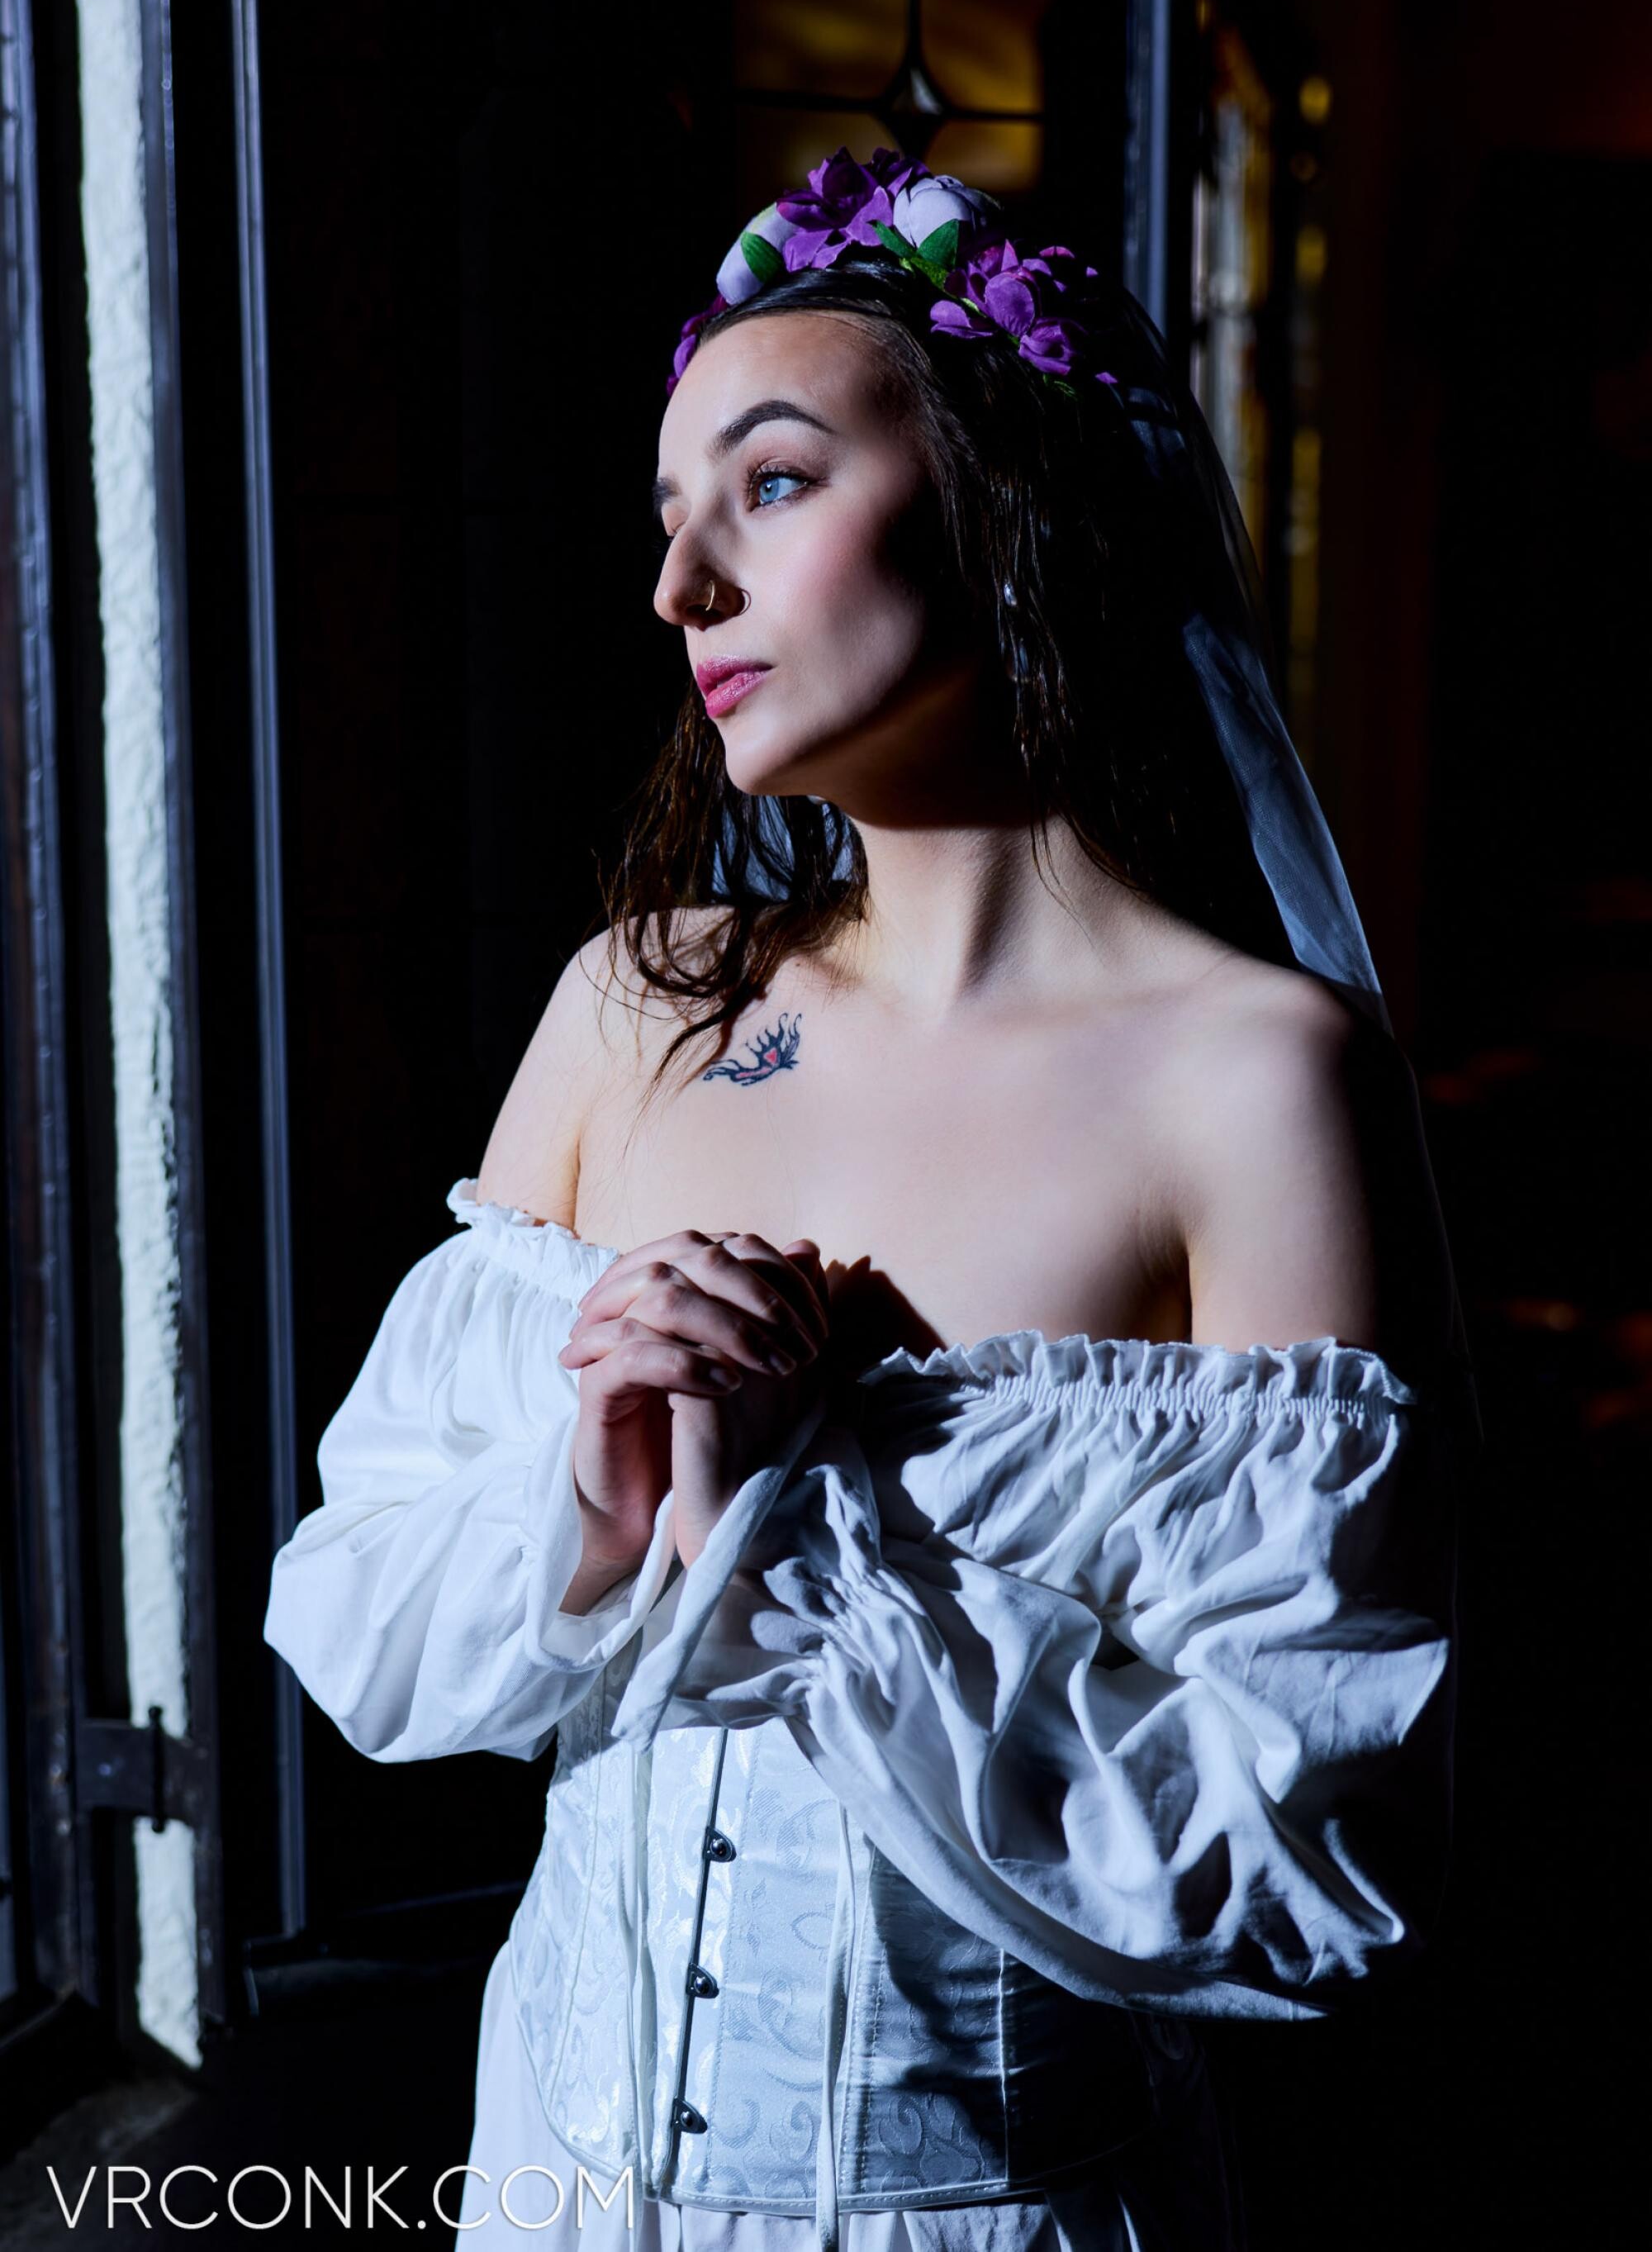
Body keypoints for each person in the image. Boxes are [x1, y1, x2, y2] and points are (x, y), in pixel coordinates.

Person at [263, 149, 1474, 2251]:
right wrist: (597, 1474)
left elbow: (1316, 1871)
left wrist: (802, 1533)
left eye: (771, 483)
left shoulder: (1254, 1079)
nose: (680, 588)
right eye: (668, 520)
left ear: (1008, 505)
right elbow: (356, 1620)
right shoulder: (635, 1005)